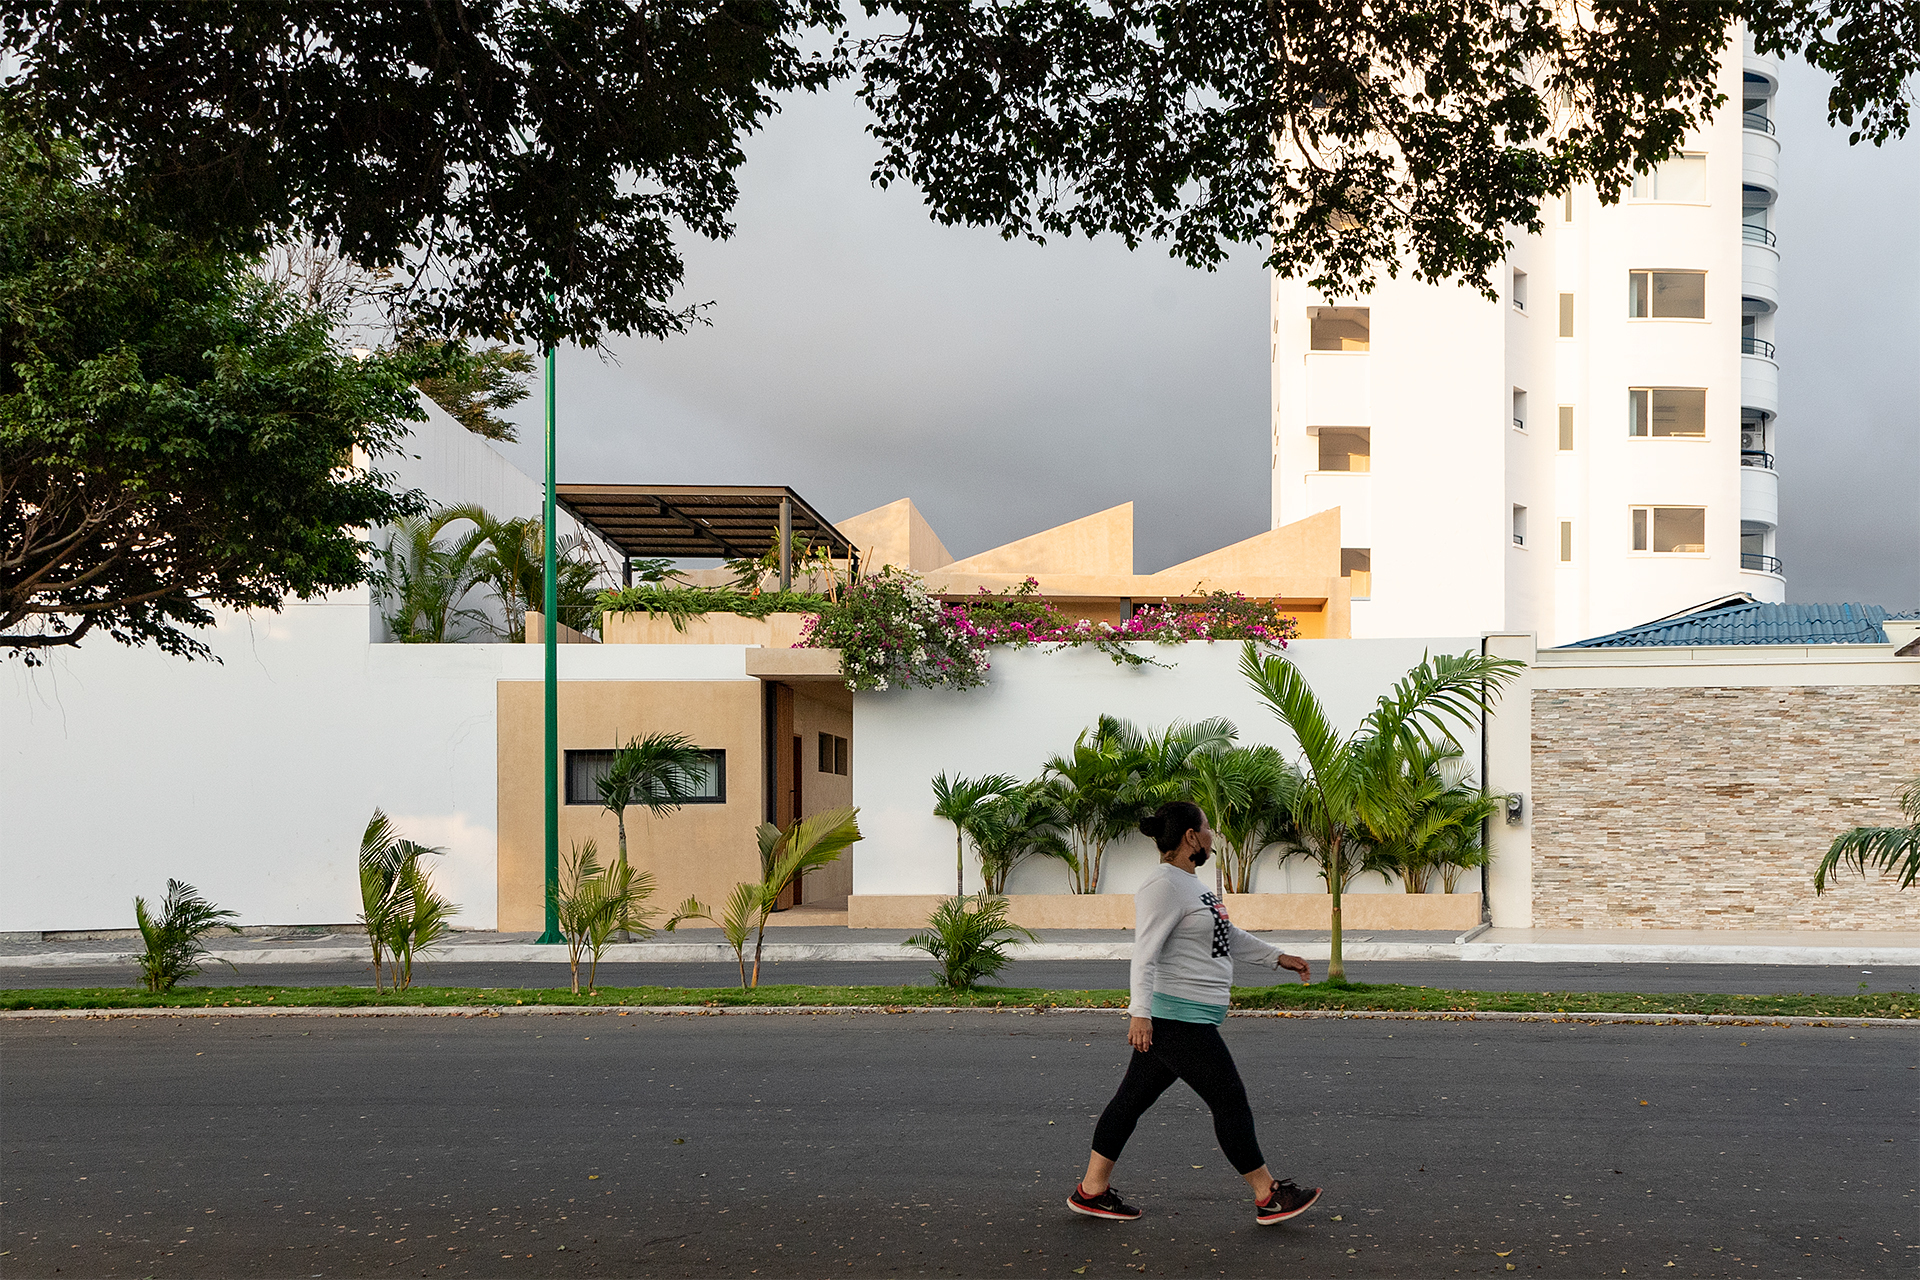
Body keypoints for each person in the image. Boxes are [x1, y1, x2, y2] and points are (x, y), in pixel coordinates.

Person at [1067, 800, 1323, 1225]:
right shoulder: (1163, 885)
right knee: (1230, 1101)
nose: (1211, 837)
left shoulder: (1193, 886)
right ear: (1190, 837)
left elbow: (1227, 938)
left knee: (1129, 1101)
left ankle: (1091, 1191)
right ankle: (1268, 1195)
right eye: (1206, 829)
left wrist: (1279, 957)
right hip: (1176, 1017)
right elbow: (1144, 953)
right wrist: (1140, 1013)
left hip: (1187, 1015)